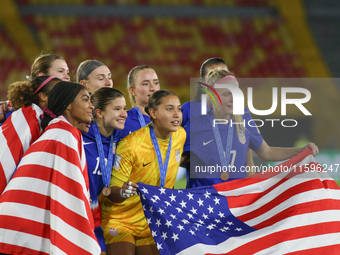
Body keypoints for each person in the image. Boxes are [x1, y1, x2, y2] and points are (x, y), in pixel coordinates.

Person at [0, 81, 100, 255]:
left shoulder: (60, 131)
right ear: (67, 104)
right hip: (22, 230)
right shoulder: (63, 135)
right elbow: (72, 195)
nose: (91, 106)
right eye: (85, 100)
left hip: (18, 227)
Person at [183, 69, 319, 188]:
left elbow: (267, 152)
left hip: (237, 204)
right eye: (226, 94)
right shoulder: (195, 126)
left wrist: (301, 150)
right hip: (204, 205)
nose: (233, 99)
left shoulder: (244, 118)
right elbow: (174, 159)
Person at [101, 90, 186, 255]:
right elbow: (113, 191)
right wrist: (123, 191)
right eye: (169, 109)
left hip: (152, 220)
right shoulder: (131, 144)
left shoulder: (180, 135)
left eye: (179, 109)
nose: (177, 115)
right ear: (153, 113)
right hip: (122, 219)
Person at [82, 87, 127, 254]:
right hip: (78, 217)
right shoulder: (80, 137)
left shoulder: (120, 141)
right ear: (99, 113)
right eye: (117, 109)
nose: (124, 114)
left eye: (124, 108)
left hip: (101, 221)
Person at [0, 76, 61, 195]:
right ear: (42, 96)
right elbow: (5, 161)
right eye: (58, 92)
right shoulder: (28, 119)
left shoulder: (39, 119)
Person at [0, 52, 70, 124]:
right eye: (61, 71)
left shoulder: (70, 108)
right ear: (43, 76)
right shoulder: (12, 110)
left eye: (67, 72)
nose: (67, 77)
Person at [121, 65, 160, 138]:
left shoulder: (168, 118)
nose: (153, 88)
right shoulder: (122, 120)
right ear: (132, 90)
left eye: (156, 83)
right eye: (145, 84)